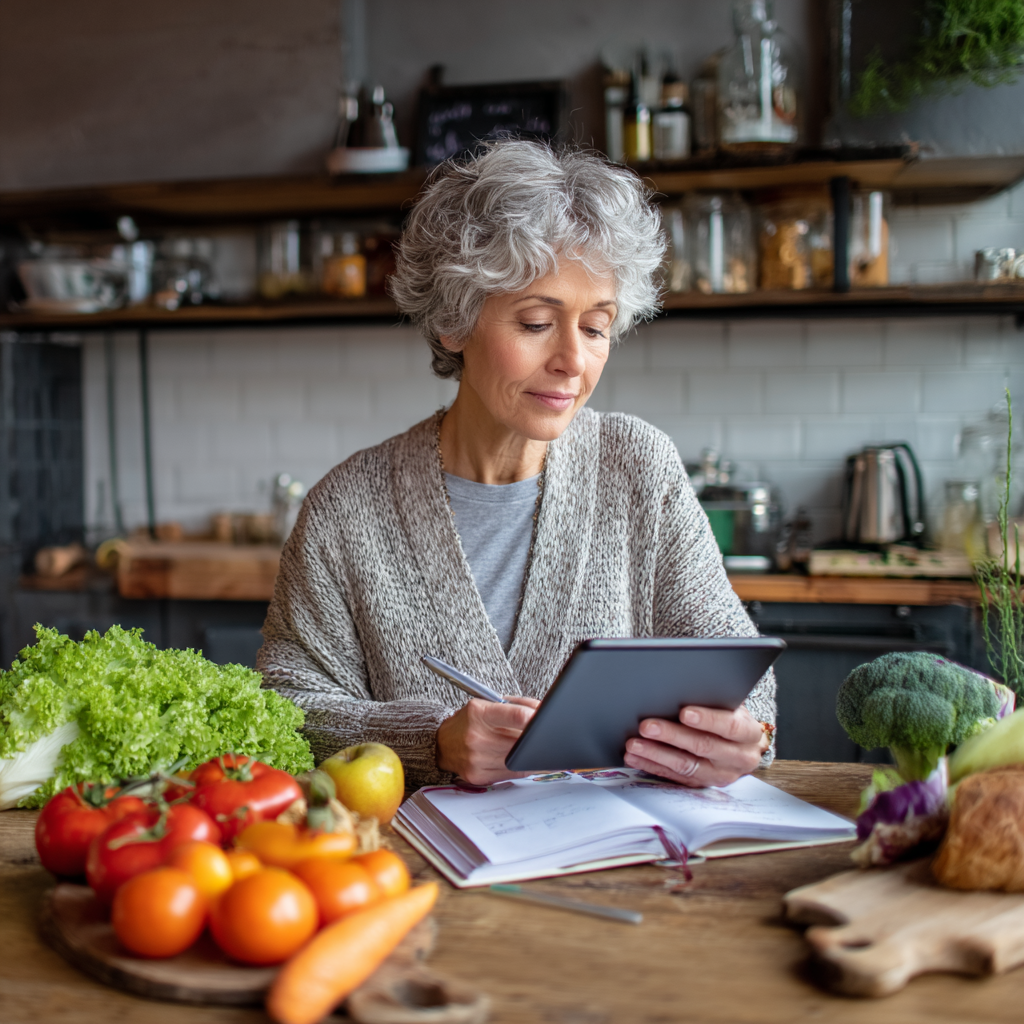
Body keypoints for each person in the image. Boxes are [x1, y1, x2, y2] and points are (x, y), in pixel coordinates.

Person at [258, 140, 775, 790]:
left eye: (595, 327)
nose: (572, 361)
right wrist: (433, 743)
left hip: (626, 875)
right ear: (454, 321)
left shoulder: (639, 466)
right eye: (536, 322)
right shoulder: (347, 511)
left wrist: (746, 732)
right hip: (423, 881)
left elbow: (735, 667)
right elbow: (284, 711)